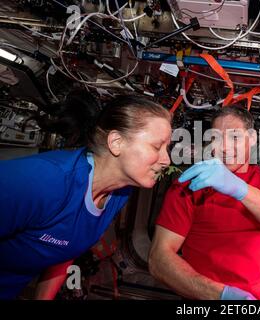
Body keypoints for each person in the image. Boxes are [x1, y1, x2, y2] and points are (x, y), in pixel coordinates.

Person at [0, 94, 172, 300]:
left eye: (167, 149)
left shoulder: (119, 193)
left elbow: (66, 247)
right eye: (156, 147)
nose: (166, 160)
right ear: (116, 142)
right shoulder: (44, 181)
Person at [149, 106, 260, 300]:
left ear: (252, 138)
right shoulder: (191, 183)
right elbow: (158, 260)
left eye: (235, 137)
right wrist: (221, 296)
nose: (225, 147)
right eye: (216, 138)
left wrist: (239, 188)